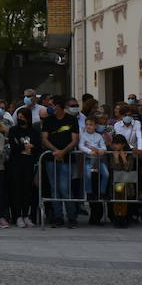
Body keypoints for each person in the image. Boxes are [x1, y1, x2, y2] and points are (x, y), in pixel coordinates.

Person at [40, 97, 80, 228]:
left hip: (66, 159)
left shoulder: (71, 119)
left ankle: (72, 217)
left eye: (51, 105)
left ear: (58, 106)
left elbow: (75, 140)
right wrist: (56, 151)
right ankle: (58, 217)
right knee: (54, 189)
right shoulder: (48, 120)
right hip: (51, 159)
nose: (49, 107)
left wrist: (63, 152)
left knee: (65, 188)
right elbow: (45, 139)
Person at [6, 108, 38, 227]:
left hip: (28, 165)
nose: (20, 119)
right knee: (16, 190)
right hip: (15, 165)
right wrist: (25, 146)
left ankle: (26, 215)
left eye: (23, 117)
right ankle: (17, 216)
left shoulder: (34, 131)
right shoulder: (13, 130)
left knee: (27, 190)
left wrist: (24, 146)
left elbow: (37, 147)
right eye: (19, 117)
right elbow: (13, 147)